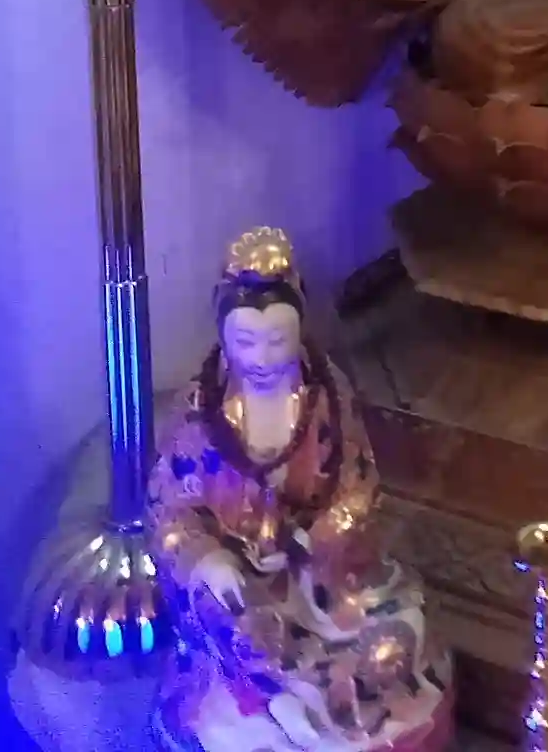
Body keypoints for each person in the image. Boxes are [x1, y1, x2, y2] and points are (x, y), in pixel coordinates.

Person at [148, 229, 450, 752]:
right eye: (246, 342)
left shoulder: (327, 397)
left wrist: (318, 542)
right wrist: (208, 560)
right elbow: (170, 511)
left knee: (399, 628)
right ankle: (276, 703)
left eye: (277, 341)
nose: (262, 359)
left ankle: (328, 698)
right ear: (223, 334)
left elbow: (358, 487)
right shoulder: (201, 413)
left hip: (321, 581)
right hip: (240, 583)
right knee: (239, 627)